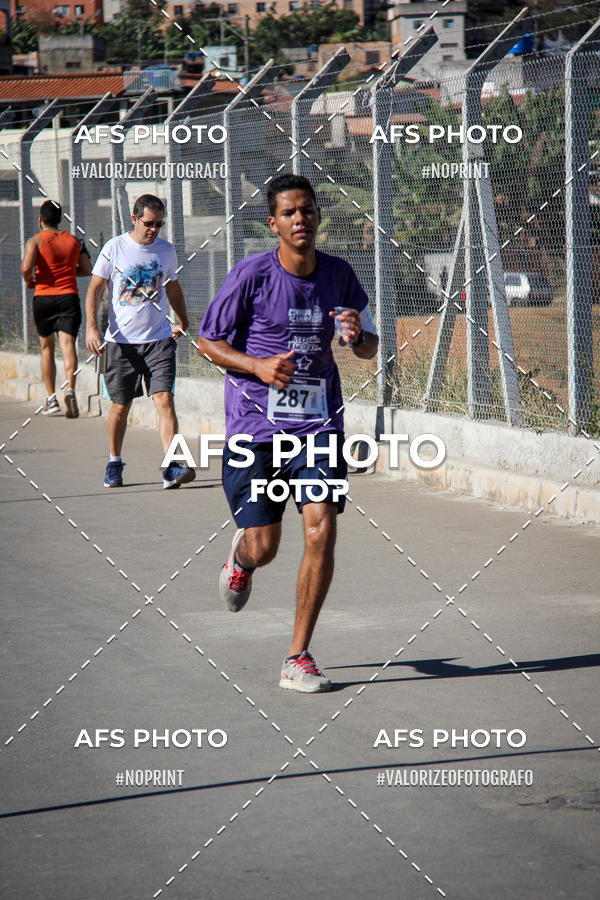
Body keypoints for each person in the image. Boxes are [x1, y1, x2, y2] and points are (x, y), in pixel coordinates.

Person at [197, 173, 378, 693]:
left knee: (321, 527)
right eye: (289, 213)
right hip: (256, 428)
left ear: (319, 215)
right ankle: (242, 558)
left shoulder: (340, 275)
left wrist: (357, 337)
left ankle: (298, 657)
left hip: (319, 424)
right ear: (273, 223)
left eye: (308, 210)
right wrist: (258, 366)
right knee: (266, 546)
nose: (301, 219)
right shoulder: (251, 275)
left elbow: (369, 347)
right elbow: (207, 343)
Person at [85, 194, 195, 490]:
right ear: (134, 219)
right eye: (148, 223)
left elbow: (172, 287)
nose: (154, 229)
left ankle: (171, 467)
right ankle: (114, 461)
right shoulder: (115, 248)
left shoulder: (166, 251)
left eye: (159, 224)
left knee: (165, 400)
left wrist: (182, 320)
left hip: (159, 340)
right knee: (120, 407)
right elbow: (95, 289)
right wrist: (92, 327)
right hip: (121, 343)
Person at [21, 199, 92, 417]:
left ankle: (51, 399)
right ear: (60, 219)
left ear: (40, 219)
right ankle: (70, 388)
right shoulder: (75, 241)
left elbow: (26, 268)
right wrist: (68, 272)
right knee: (68, 345)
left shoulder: (35, 241)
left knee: (46, 348)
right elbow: (87, 268)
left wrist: (29, 280)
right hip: (68, 297)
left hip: (43, 297)